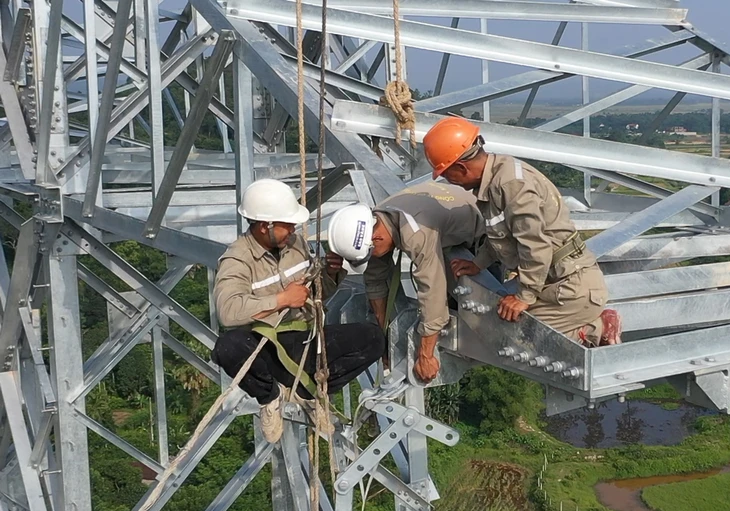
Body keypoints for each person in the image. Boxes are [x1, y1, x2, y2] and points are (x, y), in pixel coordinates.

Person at [421, 116, 622, 347]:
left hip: (571, 288)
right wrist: (479, 263)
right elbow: (502, 234)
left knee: (511, 338)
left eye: (447, 174)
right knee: (496, 321)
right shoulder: (496, 177)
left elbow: (535, 245)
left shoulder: (510, 185)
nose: (449, 181)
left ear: (461, 167)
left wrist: (523, 297)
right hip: (553, 282)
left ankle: (596, 328)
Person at [211, 179, 385, 443]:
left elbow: (315, 295)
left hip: (306, 340)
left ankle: (309, 392)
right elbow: (228, 311)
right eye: (286, 224)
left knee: (373, 339)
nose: (292, 229)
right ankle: (270, 397)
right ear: (264, 226)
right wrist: (281, 299)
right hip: (268, 347)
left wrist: (330, 272)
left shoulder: (296, 245)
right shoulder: (237, 260)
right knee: (227, 348)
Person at [327, 181, 484, 383]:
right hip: (446, 211)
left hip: (481, 232)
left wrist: (425, 355)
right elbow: (376, 281)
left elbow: (433, 290)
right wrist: (383, 336)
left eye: (370, 253)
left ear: (375, 238)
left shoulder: (415, 233)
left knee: (464, 314)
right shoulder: (377, 219)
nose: (372, 257)